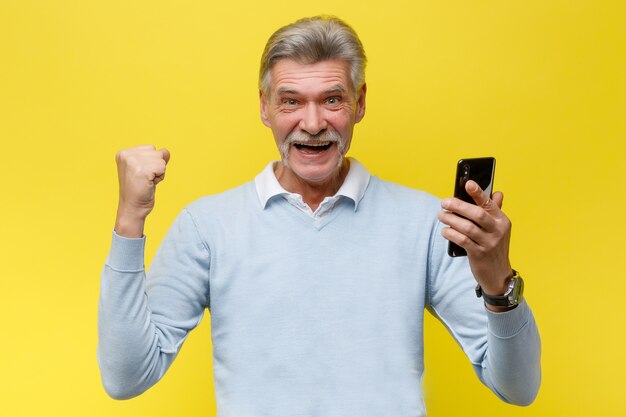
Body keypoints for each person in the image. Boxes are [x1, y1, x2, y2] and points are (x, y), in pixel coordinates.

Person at [98, 15, 541, 416]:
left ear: (360, 102)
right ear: (264, 107)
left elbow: (518, 388)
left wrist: (498, 280)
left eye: (332, 99)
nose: (312, 123)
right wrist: (129, 221)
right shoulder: (208, 227)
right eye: (291, 102)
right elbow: (126, 377)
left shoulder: (425, 223)